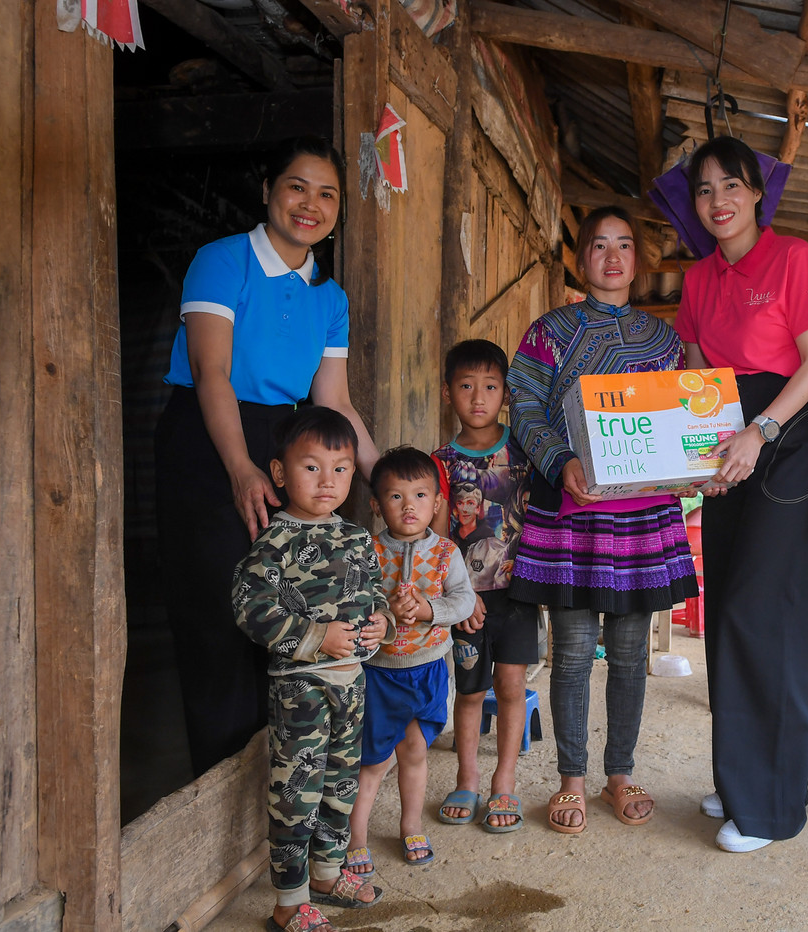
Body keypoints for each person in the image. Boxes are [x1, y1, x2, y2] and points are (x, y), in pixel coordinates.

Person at [155, 135, 379, 776]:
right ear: (267, 192)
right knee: (216, 610)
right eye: (296, 187)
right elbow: (211, 373)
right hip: (209, 442)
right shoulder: (223, 261)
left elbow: (334, 401)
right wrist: (240, 468)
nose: (311, 205)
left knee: (289, 605)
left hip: (287, 447)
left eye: (327, 194)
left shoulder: (328, 297)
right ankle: (214, 780)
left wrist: (390, 481)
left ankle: (277, 781)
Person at [507, 206, 697, 834]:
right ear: (581, 257)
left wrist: (695, 462)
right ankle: (571, 777)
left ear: (637, 260)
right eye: (598, 245)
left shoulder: (664, 341)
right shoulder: (549, 333)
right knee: (570, 653)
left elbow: (679, 418)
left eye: (623, 246)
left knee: (629, 652)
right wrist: (560, 460)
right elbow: (523, 404)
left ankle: (619, 772)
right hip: (574, 510)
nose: (612, 258)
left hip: (642, 515)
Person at [674, 136, 808, 853]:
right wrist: (703, 450)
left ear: (757, 193)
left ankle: (771, 805)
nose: (719, 201)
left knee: (766, 614)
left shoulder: (793, 257)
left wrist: (760, 432)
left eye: (731, 185)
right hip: (726, 444)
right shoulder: (698, 278)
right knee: (726, 610)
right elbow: (695, 372)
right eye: (705, 189)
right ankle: (740, 777)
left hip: (789, 441)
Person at [231, 406, 390, 932]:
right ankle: (289, 899)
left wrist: (382, 622)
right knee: (295, 795)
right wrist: (317, 637)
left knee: (340, 784)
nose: (328, 481)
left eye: (341, 468)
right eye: (312, 467)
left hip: (352, 685)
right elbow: (250, 607)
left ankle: (326, 875)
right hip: (301, 689)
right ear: (280, 473)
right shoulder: (275, 542)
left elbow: (374, 594)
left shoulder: (357, 538)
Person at [345, 446, 474, 874]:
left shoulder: (446, 553)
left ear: (436, 503)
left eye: (420, 495)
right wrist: (385, 611)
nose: (409, 506)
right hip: (379, 674)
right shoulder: (366, 551)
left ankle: (411, 825)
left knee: (416, 751)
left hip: (428, 668)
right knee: (372, 760)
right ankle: (356, 838)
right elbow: (352, 601)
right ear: (376, 505)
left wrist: (427, 609)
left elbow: (464, 601)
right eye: (395, 496)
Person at [432, 339, 537, 833]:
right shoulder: (439, 463)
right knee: (470, 690)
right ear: (447, 392)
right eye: (466, 386)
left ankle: (504, 781)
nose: (479, 398)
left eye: (491, 387)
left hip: (518, 594)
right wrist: (458, 594)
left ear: (506, 394)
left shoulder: (526, 451)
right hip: (465, 600)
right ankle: (467, 779)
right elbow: (436, 539)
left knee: (511, 685)